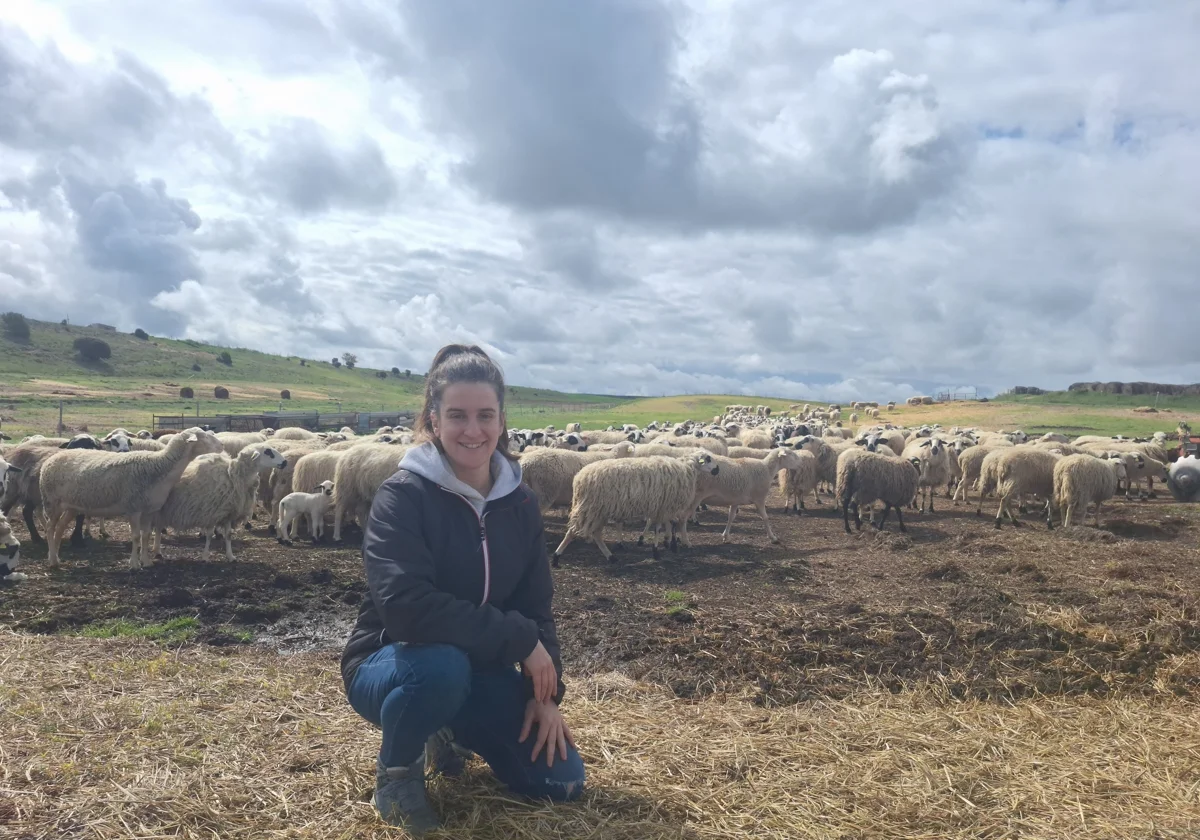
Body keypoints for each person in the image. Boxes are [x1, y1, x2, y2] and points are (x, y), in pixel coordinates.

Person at [340, 344, 585, 835]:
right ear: (434, 420)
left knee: (561, 783)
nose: (472, 430)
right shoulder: (403, 497)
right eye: (457, 415)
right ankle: (396, 775)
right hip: (394, 664)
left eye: (484, 415)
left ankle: (444, 726)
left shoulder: (520, 504)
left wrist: (546, 692)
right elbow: (407, 610)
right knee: (442, 669)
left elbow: (537, 607)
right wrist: (521, 642)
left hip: (478, 671)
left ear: (500, 421)